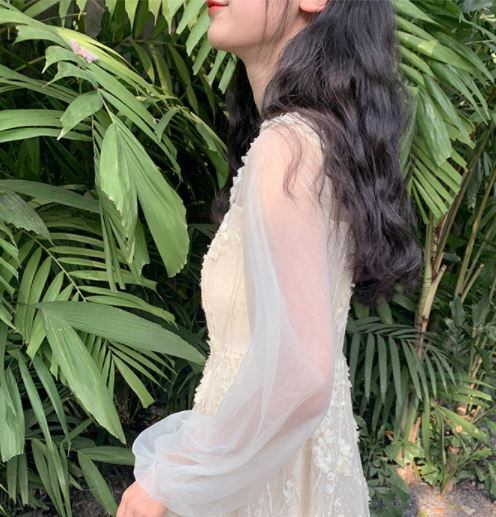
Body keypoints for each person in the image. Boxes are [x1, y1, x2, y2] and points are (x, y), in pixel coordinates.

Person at [117, 0, 422, 515]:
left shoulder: (288, 150)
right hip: (285, 464)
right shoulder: (317, 141)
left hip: (263, 476)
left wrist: (170, 481)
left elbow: (302, 374)